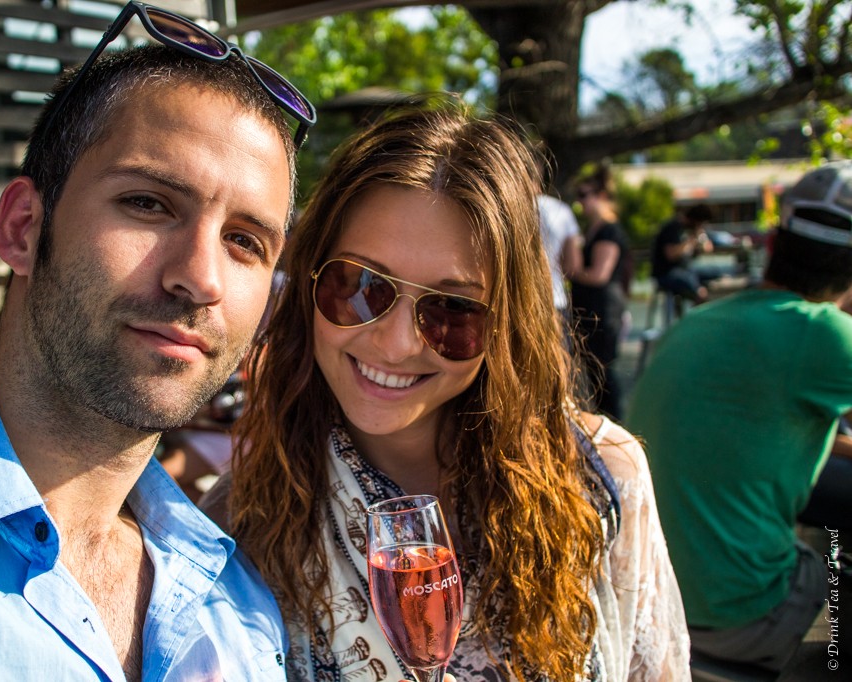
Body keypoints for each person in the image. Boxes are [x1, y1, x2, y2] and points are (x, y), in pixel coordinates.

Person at [0, 1, 318, 677]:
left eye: (244, 242)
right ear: (24, 228)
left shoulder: (239, 609)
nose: (199, 278)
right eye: (148, 204)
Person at [203, 104, 689, 681]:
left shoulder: (599, 479)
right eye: (359, 285)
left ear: (507, 323)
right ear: (309, 279)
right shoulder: (242, 520)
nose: (397, 342)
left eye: (453, 308)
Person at [627, 161, 852, 673]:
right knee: (826, 558)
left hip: (656, 599)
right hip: (736, 617)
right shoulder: (823, 332)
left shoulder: (703, 322)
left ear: (772, 246)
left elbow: (762, 431)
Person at [570, 166, 631, 420]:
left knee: (603, 371)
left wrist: (571, 269)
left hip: (603, 309)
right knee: (594, 372)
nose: (580, 202)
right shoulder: (594, 229)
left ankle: (616, 426)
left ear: (601, 195)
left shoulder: (609, 230)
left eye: (585, 195)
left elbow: (599, 274)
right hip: (590, 308)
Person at [650, 203, 716, 304]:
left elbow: (708, 248)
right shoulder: (672, 228)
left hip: (685, 269)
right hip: (666, 273)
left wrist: (701, 240)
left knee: (712, 272)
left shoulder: (692, 231)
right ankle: (699, 307)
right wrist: (690, 242)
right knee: (693, 284)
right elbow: (671, 255)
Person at [537, 189, 583, 326]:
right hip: (554, 297)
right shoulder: (561, 209)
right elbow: (573, 265)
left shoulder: (503, 206)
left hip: (514, 301)